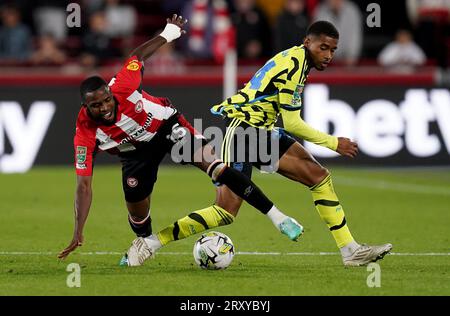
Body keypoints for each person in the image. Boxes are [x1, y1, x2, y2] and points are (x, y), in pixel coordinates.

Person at [57, 14, 303, 266]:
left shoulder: (123, 85)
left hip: (167, 126)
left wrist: (168, 33)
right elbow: (83, 186)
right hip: (134, 153)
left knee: (216, 166)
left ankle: (278, 217)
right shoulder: (85, 131)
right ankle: (145, 242)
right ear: (86, 107)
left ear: (110, 93)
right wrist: (78, 230)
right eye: (96, 105)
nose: (105, 107)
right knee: (137, 213)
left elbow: (137, 56)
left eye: (106, 100)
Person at [209, 20, 393, 267]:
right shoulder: (294, 64)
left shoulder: (301, 61)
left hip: (261, 131)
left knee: (318, 176)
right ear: (308, 42)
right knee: (226, 211)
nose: (328, 55)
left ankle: (350, 250)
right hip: (242, 129)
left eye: (333, 50)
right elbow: (293, 123)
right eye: (324, 48)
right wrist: (333, 143)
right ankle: (153, 240)